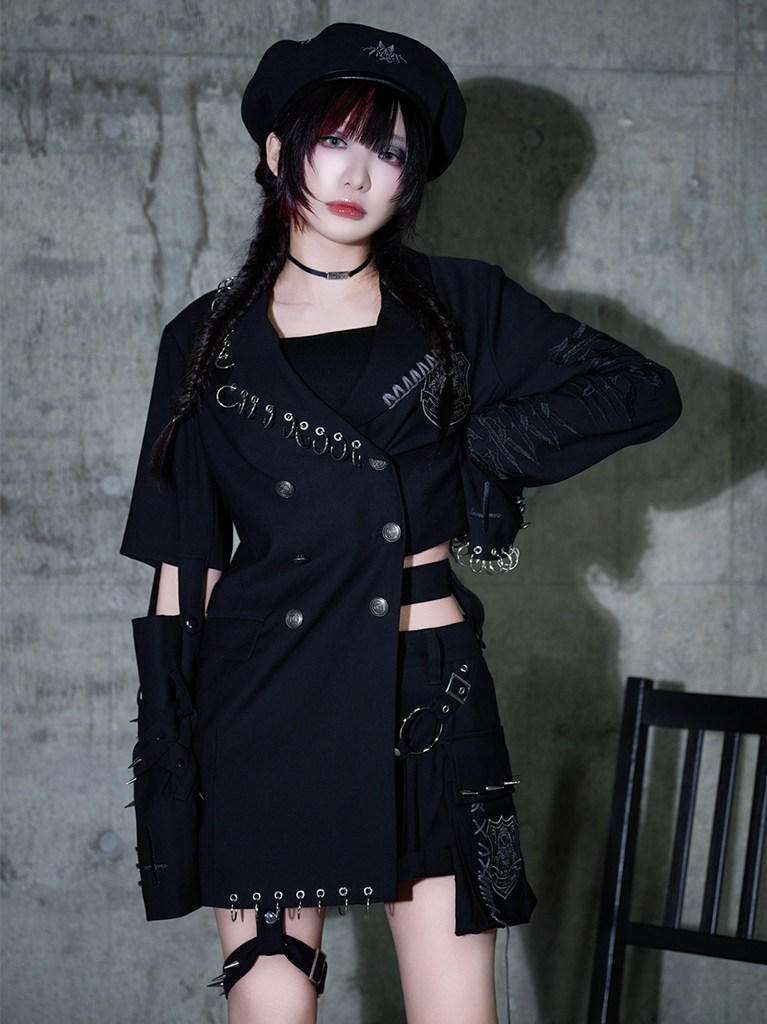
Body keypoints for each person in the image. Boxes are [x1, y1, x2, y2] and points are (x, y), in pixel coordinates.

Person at [121, 22, 681, 1024]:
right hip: (261, 703)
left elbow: (639, 390)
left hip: (429, 695)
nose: (357, 173)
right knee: (269, 1005)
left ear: (411, 179)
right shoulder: (203, 339)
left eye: (388, 151)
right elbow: (181, 563)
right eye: (334, 139)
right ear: (277, 151)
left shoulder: (459, 304)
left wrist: (482, 453)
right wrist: (169, 765)